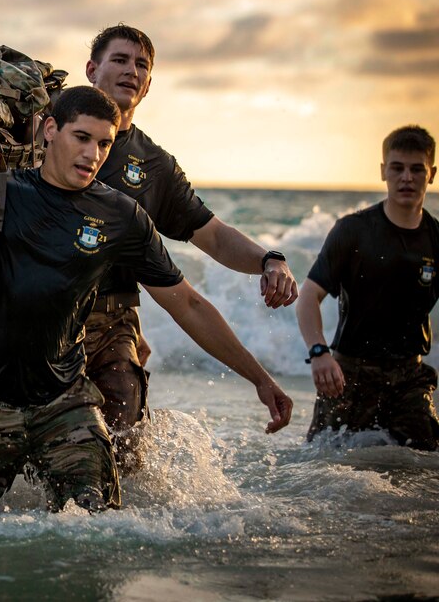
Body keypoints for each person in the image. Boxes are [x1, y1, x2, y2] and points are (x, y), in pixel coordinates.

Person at [0, 85, 293, 511]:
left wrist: (261, 380)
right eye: (82, 137)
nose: (93, 154)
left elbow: (187, 304)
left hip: (61, 402)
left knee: (97, 522)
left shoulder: (121, 216)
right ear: (49, 130)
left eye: (104, 143)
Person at [81, 24, 298, 469]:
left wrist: (268, 259)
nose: (131, 70)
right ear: (91, 69)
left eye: (141, 64)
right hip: (33, 314)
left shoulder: (154, 166)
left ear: (149, 84)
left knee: (121, 456)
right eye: (120, 60)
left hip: (111, 326)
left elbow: (212, 236)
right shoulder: (48, 127)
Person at [297, 125, 439, 450]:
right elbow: (308, 298)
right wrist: (319, 353)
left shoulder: (436, 239)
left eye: (417, 169)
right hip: (349, 375)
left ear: (431, 174)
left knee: (424, 467)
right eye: (397, 168)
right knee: (321, 466)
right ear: (383, 171)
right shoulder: (352, 231)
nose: (407, 178)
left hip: (409, 379)